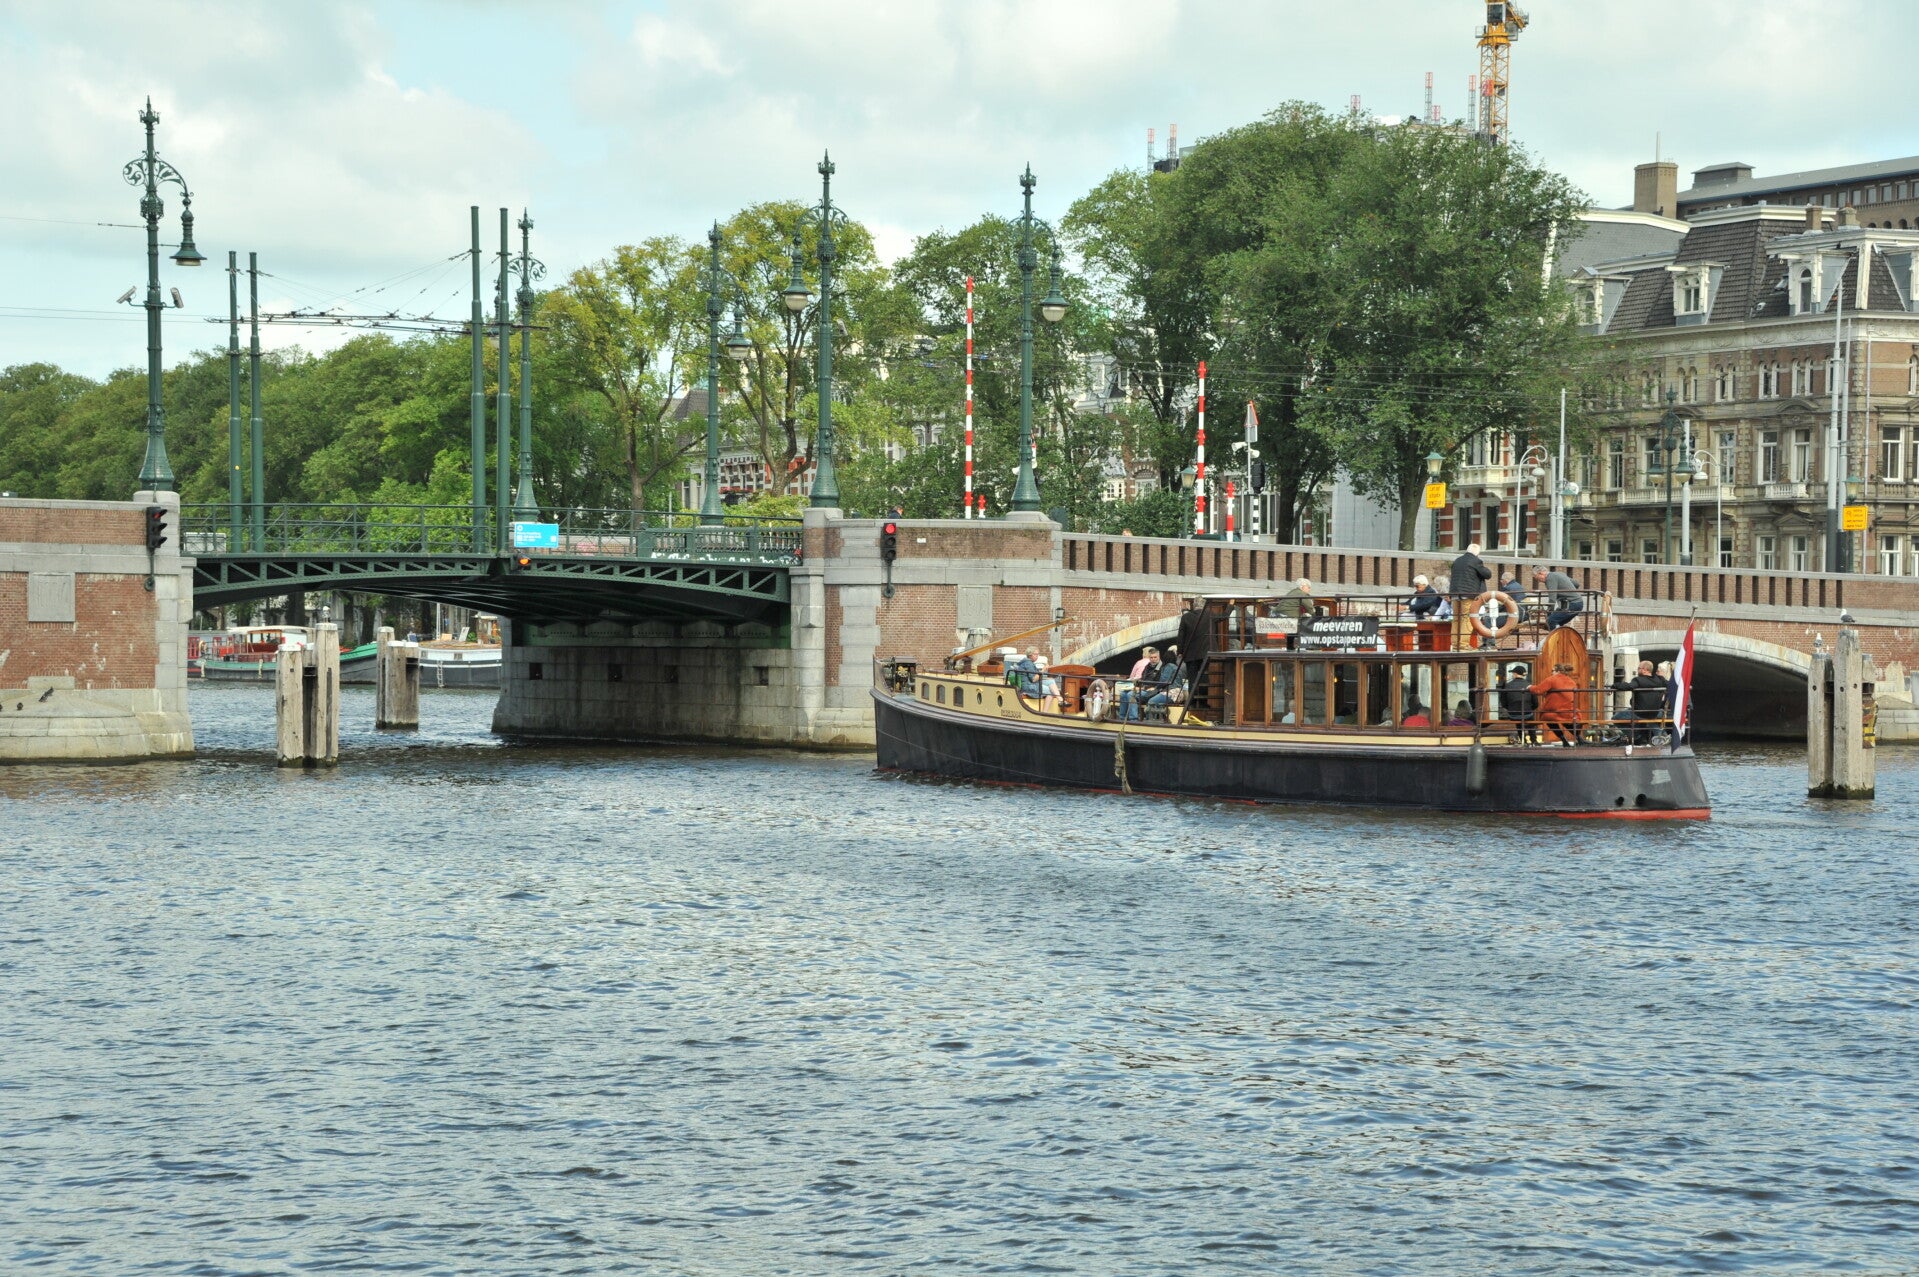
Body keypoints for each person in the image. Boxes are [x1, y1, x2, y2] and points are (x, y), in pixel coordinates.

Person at [1610, 659, 1668, 742]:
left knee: (1615, 718)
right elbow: (1670, 685)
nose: (1637, 670)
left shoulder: (1638, 680)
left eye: (1638, 668)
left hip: (1639, 713)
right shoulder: (1660, 680)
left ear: (1644, 670)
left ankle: (1636, 737)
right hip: (1654, 712)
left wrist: (1614, 685)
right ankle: (1661, 735)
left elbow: (1629, 686)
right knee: (1651, 719)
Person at [1529, 662, 1581, 746]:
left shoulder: (1552, 679)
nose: (1551, 673)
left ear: (1558, 671)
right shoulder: (1571, 681)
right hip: (1570, 712)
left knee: (1548, 718)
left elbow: (1538, 690)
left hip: (1556, 712)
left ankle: (1564, 740)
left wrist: (1530, 687)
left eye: (1552, 670)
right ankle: (1579, 738)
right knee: (1566, 720)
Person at [1532, 566, 1585, 630]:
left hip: (1571, 604)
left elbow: (1552, 598)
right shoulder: (1559, 574)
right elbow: (1576, 584)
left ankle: (1559, 635)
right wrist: (1569, 591)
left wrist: (1549, 613)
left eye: (1538, 578)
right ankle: (1560, 634)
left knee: (1551, 621)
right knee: (1557, 622)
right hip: (1578, 603)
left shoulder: (1550, 578)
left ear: (1541, 573)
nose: (1539, 581)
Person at [1500, 663, 1538, 743]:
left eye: (1513, 673)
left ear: (1515, 674)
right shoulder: (1529, 686)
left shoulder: (1507, 685)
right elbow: (1536, 703)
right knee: (1530, 719)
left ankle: (1523, 740)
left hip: (1513, 714)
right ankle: (1534, 740)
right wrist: (1530, 709)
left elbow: (1503, 702)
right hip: (1527, 714)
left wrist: (1510, 709)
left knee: (1518, 720)